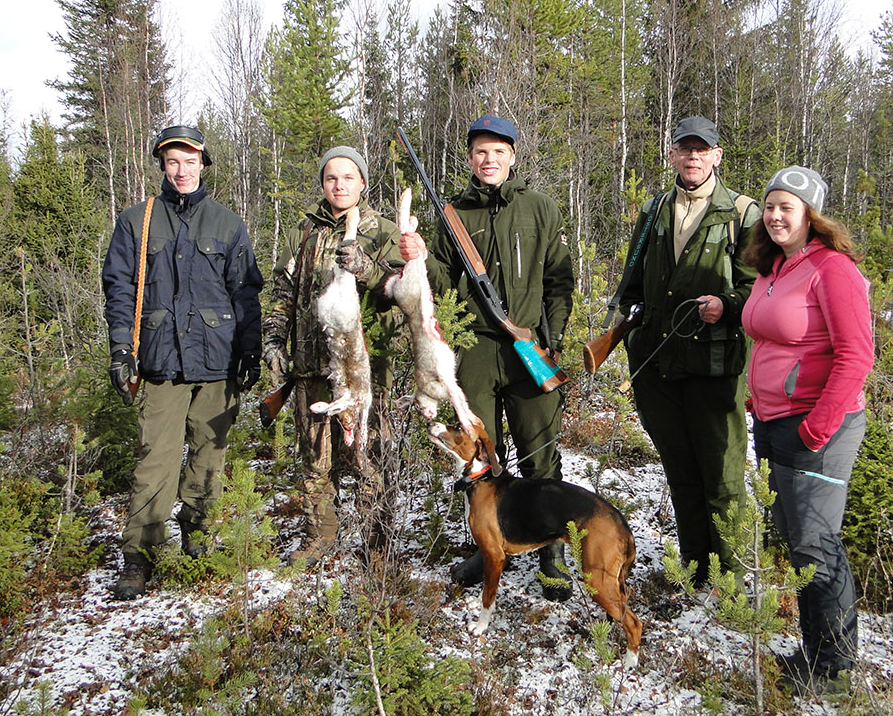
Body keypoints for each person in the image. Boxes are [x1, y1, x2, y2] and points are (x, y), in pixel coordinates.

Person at [399, 115, 575, 600]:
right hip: (473, 350)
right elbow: (438, 282)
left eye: (498, 151)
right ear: (470, 158)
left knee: (541, 452)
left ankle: (550, 549)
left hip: (528, 350)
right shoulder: (454, 213)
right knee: (480, 454)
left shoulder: (540, 208)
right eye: (480, 151)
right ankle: (485, 543)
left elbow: (560, 279)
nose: (489, 159)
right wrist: (418, 255)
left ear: (513, 157)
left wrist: (551, 339)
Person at [102, 125, 264, 601]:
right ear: (162, 166)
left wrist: (250, 350)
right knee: (156, 460)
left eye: (190, 161)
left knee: (209, 457)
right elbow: (119, 290)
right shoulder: (137, 221)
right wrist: (120, 351)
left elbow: (246, 292)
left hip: (218, 360)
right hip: (159, 361)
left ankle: (199, 535)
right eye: (173, 161)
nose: (182, 170)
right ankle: (139, 556)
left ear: (203, 164)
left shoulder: (227, 222)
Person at [742, 166, 873, 693]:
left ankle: (834, 668)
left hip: (817, 427)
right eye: (770, 207)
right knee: (800, 542)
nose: (775, 216)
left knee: (817, 545)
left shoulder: (832, 269)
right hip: (774, 420)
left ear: (810, 216)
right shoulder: (775, 268)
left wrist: (816, 429)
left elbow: (856, 356)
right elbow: (772, 340)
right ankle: (814, 648)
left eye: (786, 208)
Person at [616, 116, 760, 586]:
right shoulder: (654, 209)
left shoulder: (742, 213)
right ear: (672, 154)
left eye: (702, 149)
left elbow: (758, 288)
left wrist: (729, 305)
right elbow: (631, 285)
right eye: (685, 148)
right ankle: (698, 569)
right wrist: (630, 335)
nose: (693, 156)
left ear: (718, 156)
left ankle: (733, 583)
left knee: (722, 478)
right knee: (680, 471)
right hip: (658, 366)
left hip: (715, 366)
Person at [262, 146, 404, 562]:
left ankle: (377, 543)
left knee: (366, 457)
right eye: (331, 178)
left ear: (362, 182)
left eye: (348, 177)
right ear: (322, 183)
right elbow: (282, 293)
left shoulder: (383, 231)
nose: (339, 185)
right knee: (315, 459)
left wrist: (366, 268)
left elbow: (401, 292)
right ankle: (320, 536)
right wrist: (272, 340)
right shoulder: (303, 232)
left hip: (365, 370)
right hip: (310, 367)